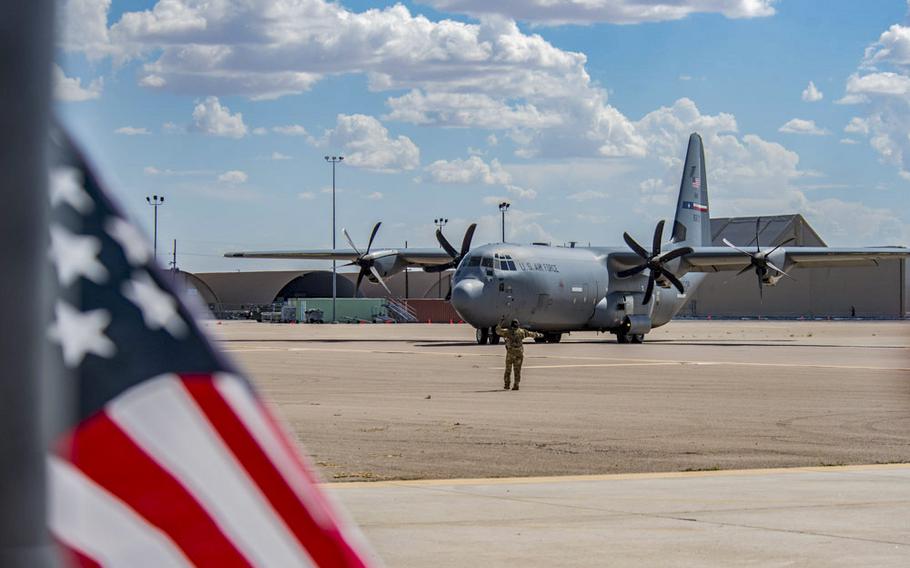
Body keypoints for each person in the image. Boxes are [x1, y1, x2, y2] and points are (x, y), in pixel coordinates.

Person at [495, 319, 543, 391]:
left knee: (508, 370)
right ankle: (516, 385)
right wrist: (540, 335)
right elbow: (531, 334)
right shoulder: (522, 332)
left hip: (510, 354)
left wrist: (500, 323)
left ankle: (507, 385)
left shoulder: (508, 332)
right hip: (519, 354)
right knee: (517, 370)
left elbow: (498, 331)